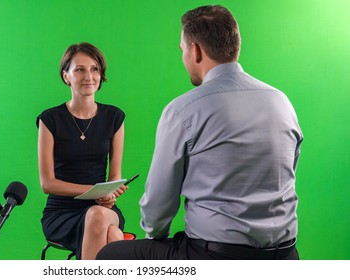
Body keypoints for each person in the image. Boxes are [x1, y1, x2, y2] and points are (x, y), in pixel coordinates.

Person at [97, 5, 303, 260]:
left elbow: (158, 205)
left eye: (182, 49)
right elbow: (287, 169)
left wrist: (155, 233)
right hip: (286, 255)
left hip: (214, 257)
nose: (183, 56)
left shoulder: (184, 109)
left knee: (109, 255)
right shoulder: (281, 101)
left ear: (195, 51)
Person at [36, 42, 128, 260]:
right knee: (113, 235)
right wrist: (95, 191)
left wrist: (110, 196)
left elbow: (114, 177)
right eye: (80, 69)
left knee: (99, 215)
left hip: (103, 210)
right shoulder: (50, 119)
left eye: (94, 69)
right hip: (61, 213)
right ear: (66, 76)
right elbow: (47, 184)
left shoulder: (115, 117)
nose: (89, 76)